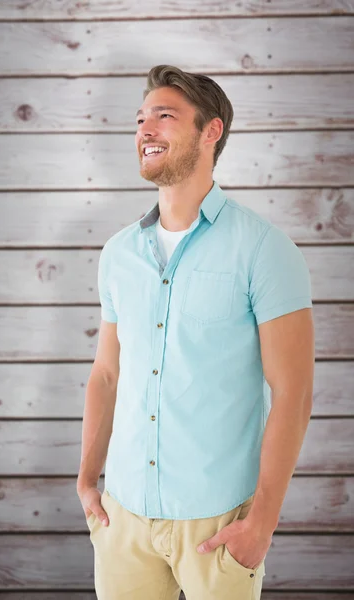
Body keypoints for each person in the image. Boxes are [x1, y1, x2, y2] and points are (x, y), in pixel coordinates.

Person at [77, 64, 315, 600]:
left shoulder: (264, 250)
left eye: (165, 116)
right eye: (140, 119)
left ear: (211, 131)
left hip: (220, 528)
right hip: (122, 522)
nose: (145, 129)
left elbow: (293, 392)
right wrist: (87, 480)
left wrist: (263, 524)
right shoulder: (118, 254)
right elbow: (107, 373)